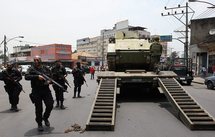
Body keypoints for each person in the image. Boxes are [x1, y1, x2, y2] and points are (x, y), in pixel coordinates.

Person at [25, 56, 54, 131]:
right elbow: (26, 76)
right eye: (34, 60)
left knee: (50, 105)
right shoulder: (31, 69)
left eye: (37, 60)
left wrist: (49, 81)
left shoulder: (46, 68)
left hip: (46, 90)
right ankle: (39, 123)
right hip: (36, 91)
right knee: (38, 108)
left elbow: (51, 77)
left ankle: (45, 117)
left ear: (40, 60)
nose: (36, 61)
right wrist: (37, 77)